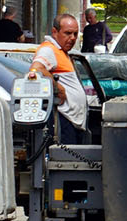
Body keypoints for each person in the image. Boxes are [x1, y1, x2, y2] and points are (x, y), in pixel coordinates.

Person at [30, 11, 90, 144]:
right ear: (54, 32)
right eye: (68, 33)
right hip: (63, 120)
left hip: (73, 121)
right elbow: (36, 69)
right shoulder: (49, 49)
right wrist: (58, 89)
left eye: (75, 34)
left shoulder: (63, 52)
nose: (73, 38)